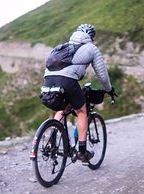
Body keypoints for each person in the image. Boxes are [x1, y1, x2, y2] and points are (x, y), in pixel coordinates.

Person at [43, 24, 115, 164]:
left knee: (62, 110)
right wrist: (108, 89)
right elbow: (102, 74)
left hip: (48, 80)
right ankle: (82, 152)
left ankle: (51, 142)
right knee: (81, 111)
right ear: (91, 37)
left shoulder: (62, 47)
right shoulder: (91, 48)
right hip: (68, 80)